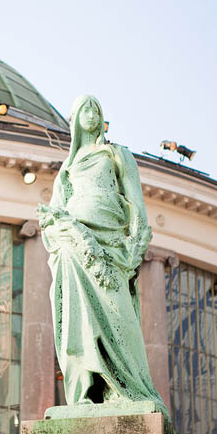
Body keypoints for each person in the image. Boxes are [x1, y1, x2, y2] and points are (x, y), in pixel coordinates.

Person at [38, 95, 165, 412]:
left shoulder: (117, 153)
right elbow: (55, 210)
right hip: (75, 244)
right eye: (85, 110)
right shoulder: (67, 167)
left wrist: (133, 249)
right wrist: (61, 227)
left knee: (120, 315)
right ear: (75, 119)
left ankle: (129, 386)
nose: (92, 114)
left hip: (112, 243)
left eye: (96, 109)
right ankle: (85, 389)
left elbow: (135, 203)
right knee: (76, 317)